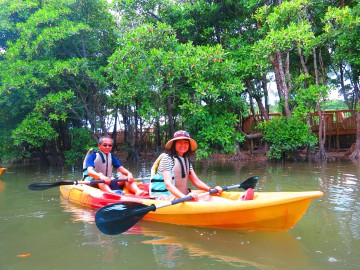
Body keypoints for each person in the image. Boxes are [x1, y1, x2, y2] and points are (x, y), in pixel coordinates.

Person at [149, 130, 254, 201]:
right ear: (174, 145)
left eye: (185, 142)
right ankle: (238, 204)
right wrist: (184, 197)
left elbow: (196, 181)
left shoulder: (186, 160)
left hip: (182, 196)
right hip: (165, 198)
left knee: (210, 197)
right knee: (200, 201)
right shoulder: (167, 159)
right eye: (179, 142)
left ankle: (239, 201)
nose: (183, 145)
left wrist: (210, 190)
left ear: (189, 145)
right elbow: (168, 184)